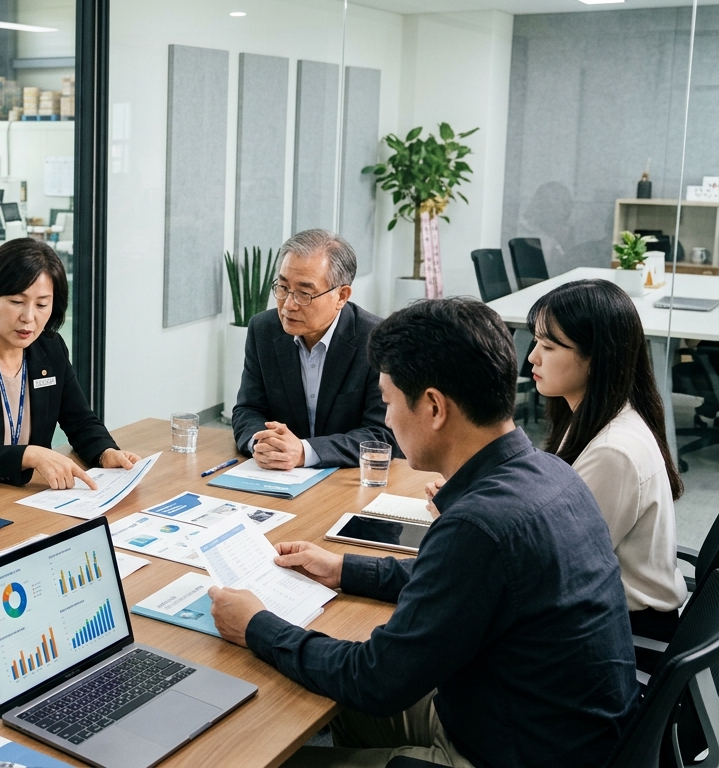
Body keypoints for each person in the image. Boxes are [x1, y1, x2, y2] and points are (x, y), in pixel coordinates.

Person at [209, 297, 638, 767]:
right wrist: (345, 568)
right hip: (533, 724)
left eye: (389, 402)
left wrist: (256, 626)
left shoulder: (479, 525)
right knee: (307, 701)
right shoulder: (550, 473)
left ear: (434, 407)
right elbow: (462, 583)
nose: (387, 420)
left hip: (504, 752)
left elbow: (374, 680)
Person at [526, 279, 686, 641]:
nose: (533, 357)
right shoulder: (593, 415)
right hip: (599, 610)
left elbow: (555, 563)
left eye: (548, 346)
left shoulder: (614, 451)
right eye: (536, 341)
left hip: (621, 631)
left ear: (597, 358)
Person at [0, 238, 139, 490]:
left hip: (20, 492)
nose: (28, 317)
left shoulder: (50, 349)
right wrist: (30, 455)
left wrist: (104, 452)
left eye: (42, 304)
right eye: (16, 302)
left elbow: (80, 421)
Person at [231, 228, 395, 470]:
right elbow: (248, 409)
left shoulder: (378, 339)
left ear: (342, 295)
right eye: (283, 288)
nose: (288, 305)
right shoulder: (263, 329)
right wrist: (262, 444)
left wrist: (305, 452)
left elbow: (382, 435)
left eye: (304, 294)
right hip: (280, 477)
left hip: (349, 480)